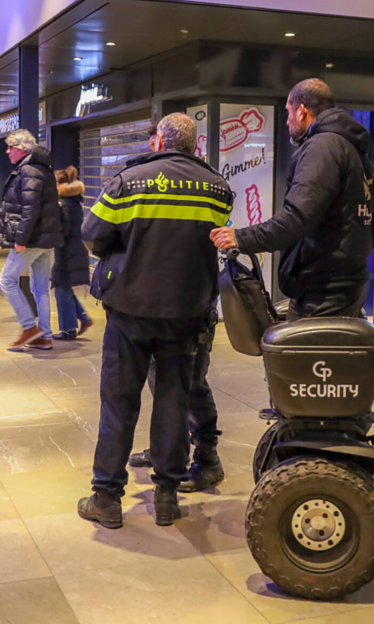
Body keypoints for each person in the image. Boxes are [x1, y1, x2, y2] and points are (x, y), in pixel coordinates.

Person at [77, 112, 233, 529]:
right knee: (173, 400)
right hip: (188, 310)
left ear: (158, 142)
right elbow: (214, 236)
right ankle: (167, 497)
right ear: (195, 146)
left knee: (119, 402)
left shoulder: (130, 182)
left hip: (130, 308)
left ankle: (107, 497)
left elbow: (92, 233)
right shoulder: (218, 189)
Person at [210, 78, 374, 319]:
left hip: (324, 289)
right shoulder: (354, 150)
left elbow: (296, 218)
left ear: (302, 111)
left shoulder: (322, 147)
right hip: (346, 283)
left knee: (308, 356)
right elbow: (373, 228)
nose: (287, 120)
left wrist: (240, 237)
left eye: (288, 112)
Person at [127, 122, 224, 493]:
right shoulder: (209, 184)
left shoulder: (204, 184)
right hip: (172, 300)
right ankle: (169, 447)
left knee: (192, 383)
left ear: (159, 142)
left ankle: (208, 459)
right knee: (164, 382)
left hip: (189, 303)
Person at [0, 128, 63, 351]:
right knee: (41, 290)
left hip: (33, 240)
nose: (7, 152)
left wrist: (21, 239)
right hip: (46, 240)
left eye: (11, 148)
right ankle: (44, 336)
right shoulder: (43, 168)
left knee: (6, 280)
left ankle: (29, 327)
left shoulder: (28, 170)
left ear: (22, 149)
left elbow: (30, 208)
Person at [52, 166, 93, 340]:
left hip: (67, 252)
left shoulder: (63, 203)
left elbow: (63, 230)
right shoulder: (72, 201)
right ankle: (83, 318)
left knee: (61, 288)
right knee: (64, 287)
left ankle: (68, 329)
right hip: (73, 250)